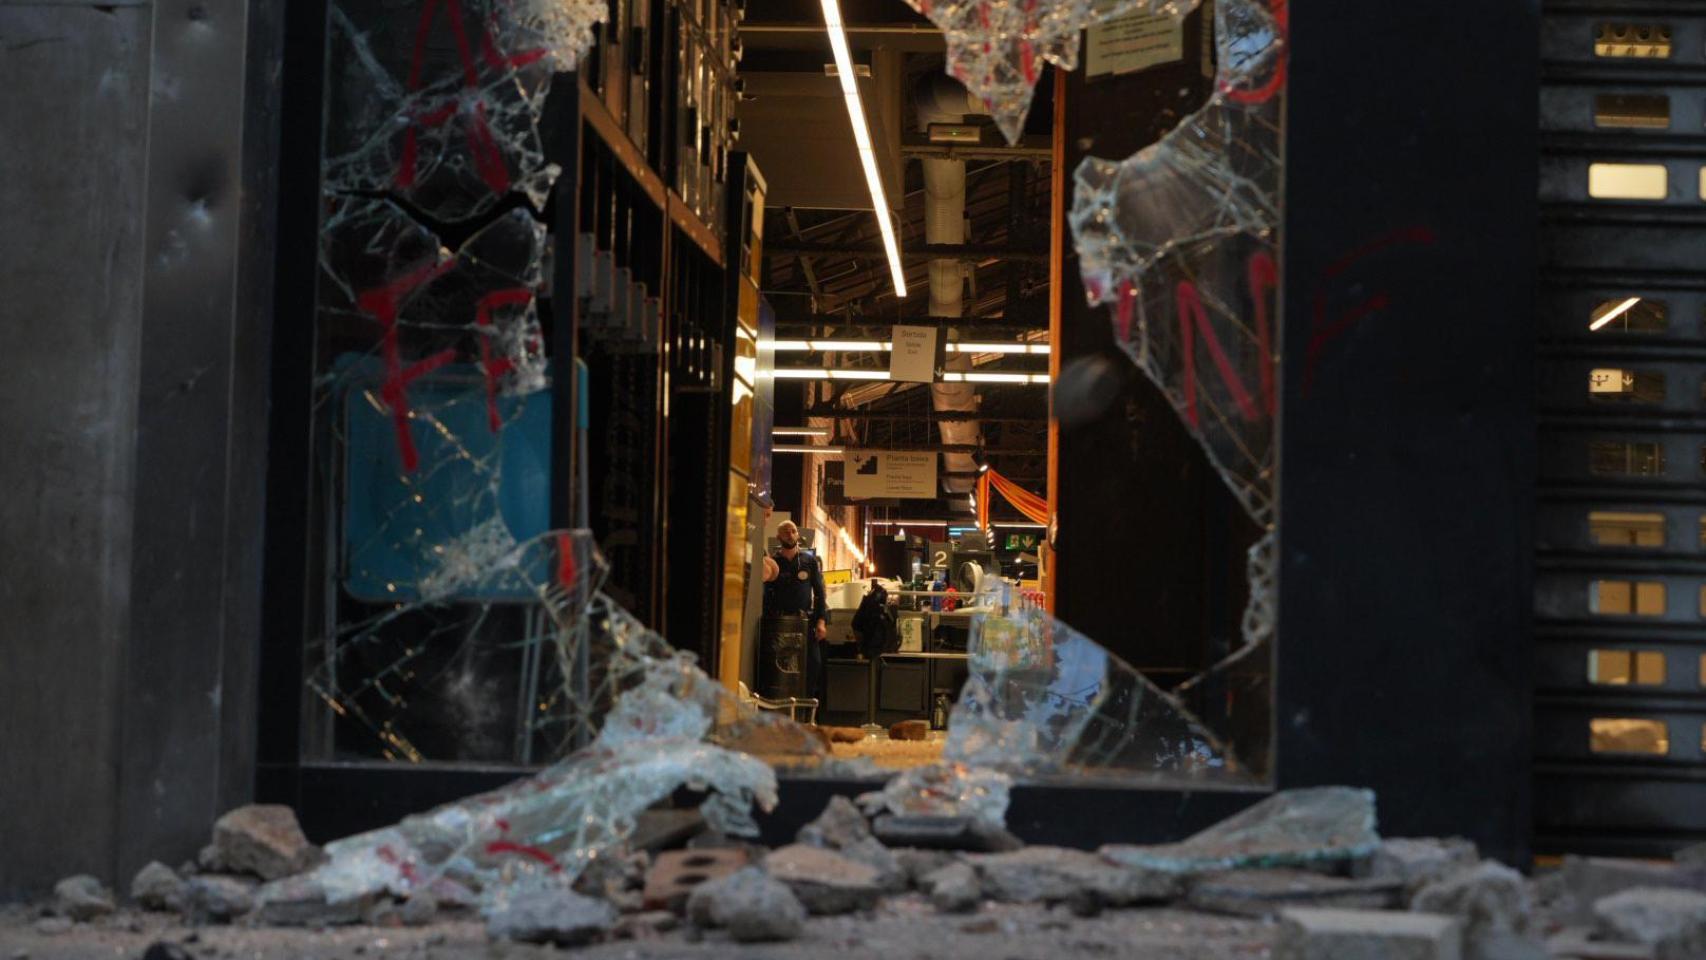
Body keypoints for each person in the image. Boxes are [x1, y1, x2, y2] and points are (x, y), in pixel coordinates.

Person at [763, 521, 829, 699]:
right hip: (780, 624)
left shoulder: (809, 561)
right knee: (782, 669)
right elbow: (765, 594)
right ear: (779, 537)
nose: (790, 534)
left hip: (804, 622)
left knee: (813, 664)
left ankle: (806, 707)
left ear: (798, 535)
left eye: (793, 531)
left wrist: (821, 621)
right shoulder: (773, 563)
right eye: (786, 532)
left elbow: (820, 593)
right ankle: (784, 706)